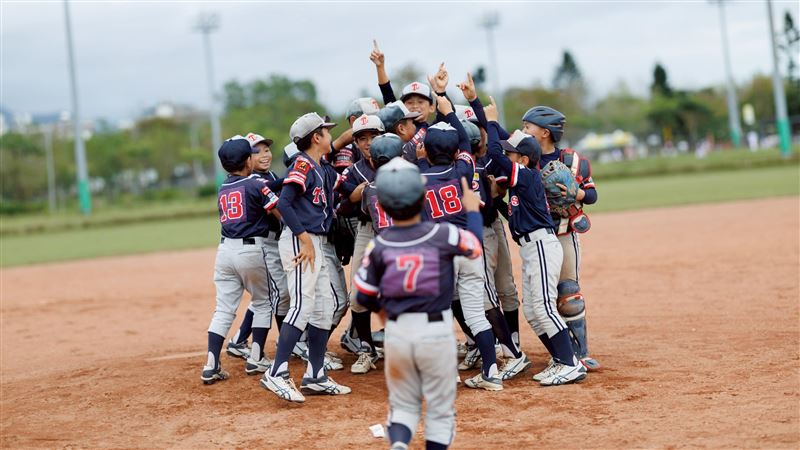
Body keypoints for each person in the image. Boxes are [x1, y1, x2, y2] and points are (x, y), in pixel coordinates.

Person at [354, 158, 483, 450]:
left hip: (397, 333)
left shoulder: (380, 244)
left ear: (382, 206)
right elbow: (474, 247)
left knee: (403, 407)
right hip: (436, 333)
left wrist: (383, 312)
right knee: (439, 411)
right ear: (423, 196)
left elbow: (362, 296)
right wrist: (472, 209)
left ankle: (399, 445)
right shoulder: (442, 234)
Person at [483, 98, 587, 386]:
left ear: (524, 159)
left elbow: (494, 149)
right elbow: (516, 215)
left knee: (543, 306)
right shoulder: (520, 186)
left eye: (513, 154)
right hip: (531, 247)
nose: (508, 157)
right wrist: (496, 197)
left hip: (542, 245)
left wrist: (491, 121)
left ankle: (570, 363)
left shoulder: (527, 175)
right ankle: (560, 359)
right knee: (532, 310)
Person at [260, 113, 351, 403]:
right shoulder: (303, 163)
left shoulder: (318, 166)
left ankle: (315, 374)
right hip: (303, 241)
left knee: (324, 308)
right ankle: (277, 372)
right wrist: (303, 239)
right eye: (325, 132)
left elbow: (342, 184)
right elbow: (285, 203)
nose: (329, 136)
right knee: (302, 305)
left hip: (315, 241)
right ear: (316, 138)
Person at [521, 106, 601, 372]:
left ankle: (581, 353)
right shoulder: (522, 158)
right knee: (542, 298)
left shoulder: (571, 161)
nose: (523, 132)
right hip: (537, 240)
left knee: (569, 294)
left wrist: (577, 193)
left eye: (527, 128)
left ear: (544, 133)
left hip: (564, 233)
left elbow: (592, 195)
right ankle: (562, 352)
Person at [201, 136, 281, 384]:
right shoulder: (256, 184)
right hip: (252, 250)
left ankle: (211, 364)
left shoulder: (223, 187)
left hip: (224, 252)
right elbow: (280, 213)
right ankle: (256, 356)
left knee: (224, 309)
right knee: (264, 301)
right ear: (248, 160)